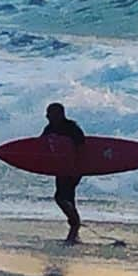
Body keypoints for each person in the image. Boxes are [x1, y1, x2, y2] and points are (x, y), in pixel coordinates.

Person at [40, 102, 85, 243]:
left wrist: (78, 170)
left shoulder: (72, 128)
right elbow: (40, 146)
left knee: (61, 197)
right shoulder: (50, 128)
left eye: (49, 113)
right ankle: (74, 227)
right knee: (66, 197)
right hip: (60, 168)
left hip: (74, 168)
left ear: (59, 114)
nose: (46, 116)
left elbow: (83, 149)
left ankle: (75, 223)